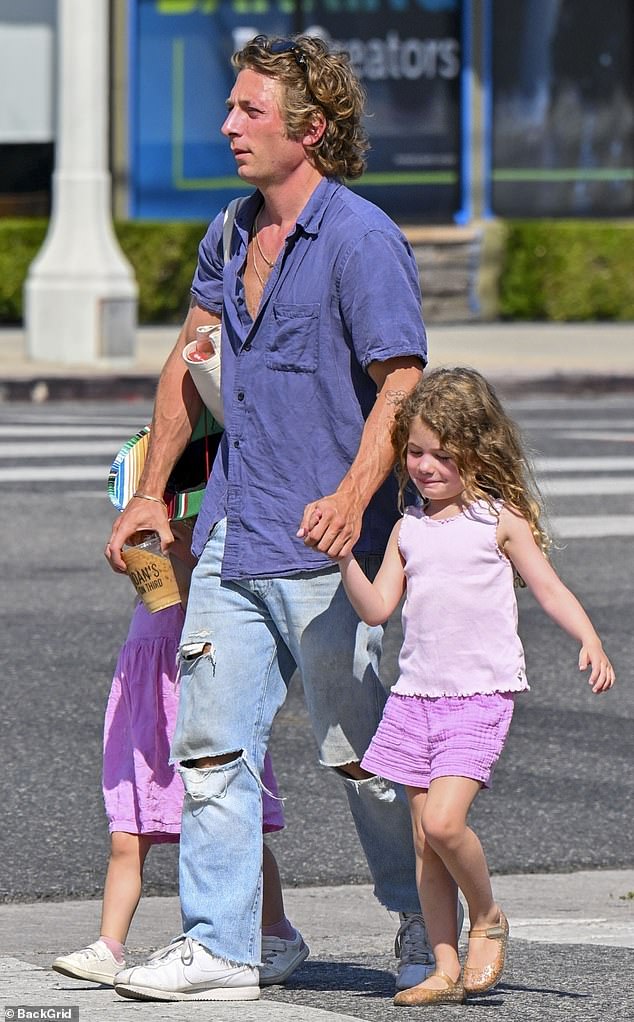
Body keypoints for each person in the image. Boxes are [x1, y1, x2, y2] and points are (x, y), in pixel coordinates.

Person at [106, 34, 433, 1003]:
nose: (228, 124)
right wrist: (152, 491)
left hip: (339, 551)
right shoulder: (227, 231)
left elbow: (400, 385)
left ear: (310, 129)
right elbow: (188, 362)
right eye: (233, 107)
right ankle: (224, 942)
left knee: (365, 756)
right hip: (235, 535)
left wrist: (349, 493)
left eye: (250, 110)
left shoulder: (362, 238)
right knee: (208, 745)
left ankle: (422, 913)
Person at [331, 367, 615, 1006]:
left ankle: (487, 917)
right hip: (415, 698)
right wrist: (345, 556)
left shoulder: (498, 520)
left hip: (479, 695)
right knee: (424, 844)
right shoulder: (408, 529)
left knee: (445, 822)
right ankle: (442, 965)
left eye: (441, 454)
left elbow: (548, 588)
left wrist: (588, 637)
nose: (425, 466)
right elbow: (378, 609)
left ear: (477, 451)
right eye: (415, 453)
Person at [53, 437, 305, 989]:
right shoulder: (151, 547)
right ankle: (109, 945)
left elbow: (193, 603)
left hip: (194, 701)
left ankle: (278, 932)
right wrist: (140, 552)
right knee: (129, 832)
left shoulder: (203, 549)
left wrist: (181, 547)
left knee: (234, 829)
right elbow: (152, 605)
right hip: (146, 715)